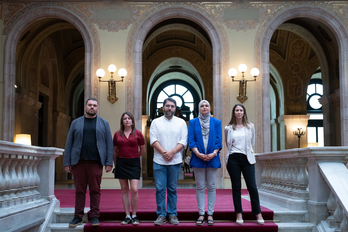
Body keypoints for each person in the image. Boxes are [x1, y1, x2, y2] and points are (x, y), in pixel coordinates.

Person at [63, 98, 113, 228]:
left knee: (95, 190)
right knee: (79, 190)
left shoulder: (104, 123)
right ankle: (77, 216)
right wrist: (66, 162)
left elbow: (109, 144)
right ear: (85, 107)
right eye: (90, 105)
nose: (92, 107)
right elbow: (69, 143)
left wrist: (109, 162)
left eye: (95, 105)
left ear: (97, 108)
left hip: (95, 162)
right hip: (78, 162)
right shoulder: (75, 123)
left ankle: (95, 216)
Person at [150, 97, 188, 226]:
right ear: (163, 107)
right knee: (160, 189)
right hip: (159, 161)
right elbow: (153, 140)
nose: (169, 108)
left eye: (172, 106)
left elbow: (183, 140)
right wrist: (164, 153)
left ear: (175, 108)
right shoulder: (155, 122)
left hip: (175, 161)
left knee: (172, 189)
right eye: (167, 106)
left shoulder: (181, 122)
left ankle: (172, 214)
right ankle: (161, 215)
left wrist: (171, 152)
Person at [225, 104, 264, 225]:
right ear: (234, 112)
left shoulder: (250, 126)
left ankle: (258, 213)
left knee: (252, 187)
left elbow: (252, 143)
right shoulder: (228, 128)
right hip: (233, 158)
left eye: (241, 110)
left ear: (244, 112)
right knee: (236, 187)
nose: (239, 112)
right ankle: (239, 213)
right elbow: (228, 144)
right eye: (237, 110)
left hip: (247, 158)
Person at [188, 100, 222, 226]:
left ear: (209, 107)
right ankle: (202, 213)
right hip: (198, 158)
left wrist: (213, 153)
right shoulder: (193, 122)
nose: (204, 107)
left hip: (213, 157)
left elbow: (219, 140)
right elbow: (191, 140)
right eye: (202, 105)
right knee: (200, 186)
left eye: (206, 105)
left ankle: (211, 214)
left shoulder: (216, 122)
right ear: (198, 108)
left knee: (212, 186)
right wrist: (197, 153)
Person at [113, 112, 145, 226]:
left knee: (134, 189)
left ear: (132, 121)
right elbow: (114, 151)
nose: (127, 120)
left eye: (129, 118)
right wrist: (116, 165)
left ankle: (134, 215)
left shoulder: (138, 134)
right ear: (122, 121)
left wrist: (135, 157)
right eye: (125, 118)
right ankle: (127, 215)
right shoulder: (117, 134)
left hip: (134, 163)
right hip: (121, 163)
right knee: (124, 190)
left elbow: (142, 150)